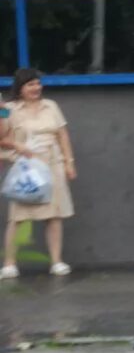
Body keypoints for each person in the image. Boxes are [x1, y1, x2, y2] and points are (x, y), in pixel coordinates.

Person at [2, 69, 77, 279]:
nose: (36, 88)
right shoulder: (10, 108)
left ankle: (56, 261)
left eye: (37, 84)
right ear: (20, 88)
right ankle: (9, 263)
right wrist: (2, 114)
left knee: (54, 215)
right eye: (30, 85)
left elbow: (63, 136)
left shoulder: (51, 106)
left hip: (53, 164)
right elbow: (1, 137)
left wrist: (69, 163)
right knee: (18, 217)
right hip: (26, 167)